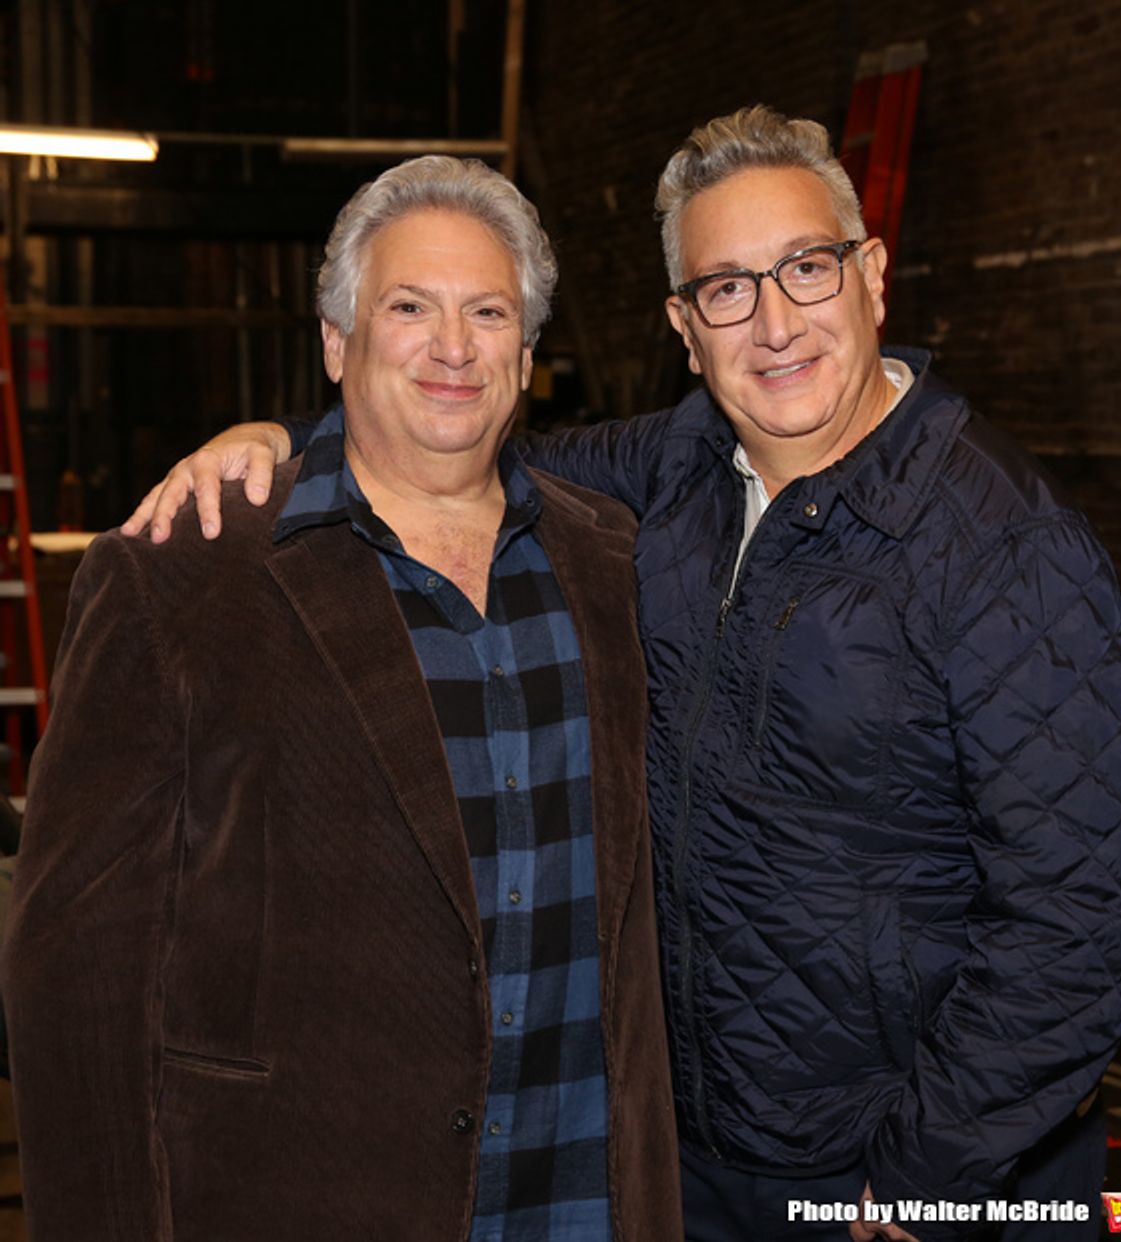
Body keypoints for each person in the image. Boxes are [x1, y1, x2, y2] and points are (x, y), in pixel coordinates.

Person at [123, 107, 1121, 1241]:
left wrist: (927, 1172)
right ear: (684, 325)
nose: (774, 324)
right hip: (700, 1164)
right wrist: (279, 442)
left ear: (870, 278)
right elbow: (448, 441)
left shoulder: (1001, 545)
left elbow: (1087, 919)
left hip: (913, 1183)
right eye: (728, 289)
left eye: (806, 270)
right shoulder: (673, 471)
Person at [2, 156, 682, 1242]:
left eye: (488, 312)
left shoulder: (616, 565)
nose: (453, 347)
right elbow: (71, 972)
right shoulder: (183, 574)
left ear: (528, 351)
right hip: (297, 1197)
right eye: (409, 306)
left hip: (580, 1198)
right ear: (335, 340)